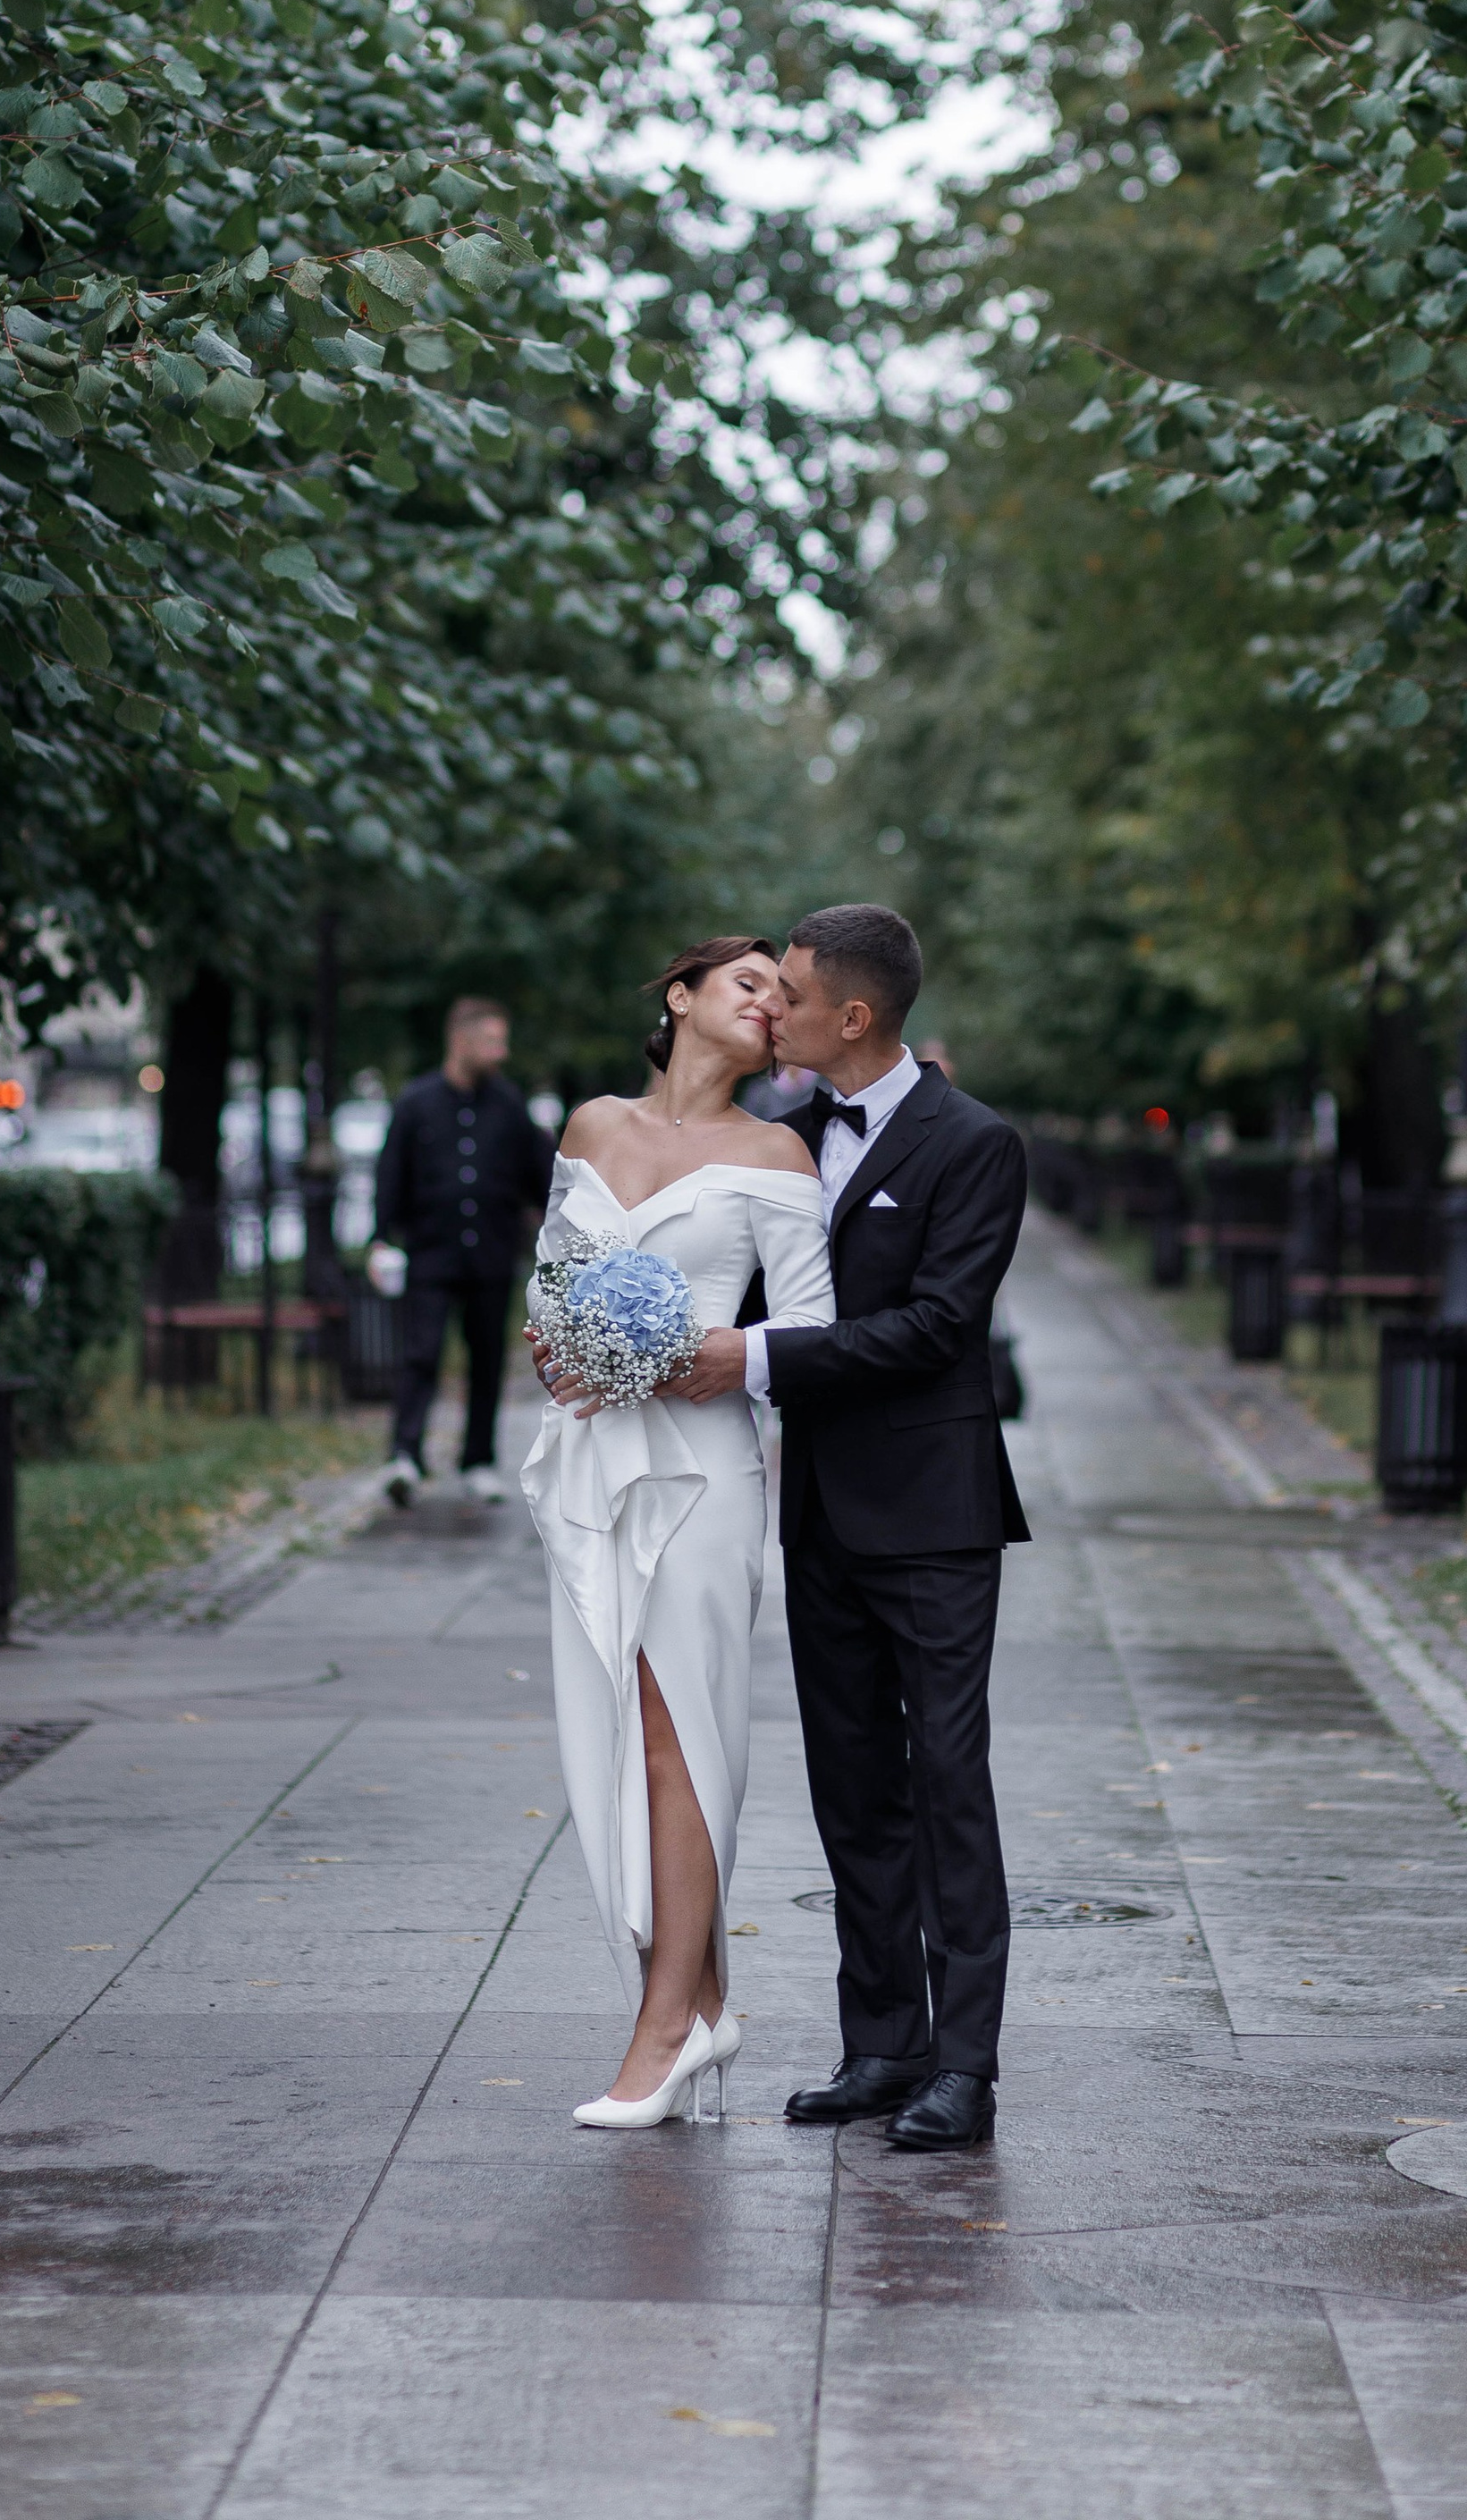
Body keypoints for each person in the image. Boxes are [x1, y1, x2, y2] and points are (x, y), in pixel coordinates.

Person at [670, 904, 1029, 2153]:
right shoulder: (783, 1137)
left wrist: (753, 1355)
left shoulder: (974, 1144)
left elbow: (939, 1327)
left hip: (933, 1518)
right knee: (855, 1790)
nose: (776, 1012)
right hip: (816, 1510)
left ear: (856, 1017)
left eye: (797, 995)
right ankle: (882, 2043)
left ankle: (966, 2068)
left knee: (949, 1787)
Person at [519, 939, 833, 2131]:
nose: (769, 1003)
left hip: (701, 1467)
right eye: (749, 982)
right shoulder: (593, 1127)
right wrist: (562, 1344)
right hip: (596, 1457)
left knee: (676, 1736)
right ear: (682, 996)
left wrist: (704, 1354)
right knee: (608, 1732)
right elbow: (552, 1287)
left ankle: (661, 2035)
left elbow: (807, 1324)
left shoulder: (775, 1152)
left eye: (784, 994)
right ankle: (703, 2008)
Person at [372, 997, 553, 1507]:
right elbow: (390, 1175)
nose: (502, 1051)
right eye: (493, 1040)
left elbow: (541, 1179)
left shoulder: (510, 1105)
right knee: (420, 1355)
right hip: (431, 1254)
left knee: (487, 1360)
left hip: (492, 1258)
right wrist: (380, 1238)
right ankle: (404, 1455)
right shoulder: (415, 1102)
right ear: (461, 1040)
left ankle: (477, 1461)